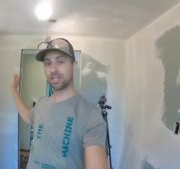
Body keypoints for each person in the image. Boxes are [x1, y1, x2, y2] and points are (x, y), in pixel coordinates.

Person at [11, 38, 108, 169]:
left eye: (60, 61)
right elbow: (28, 117)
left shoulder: (90, 115)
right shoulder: (41, 103)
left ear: (74, 65)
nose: (53, 69)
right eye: (47, 63)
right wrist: (13, 89)